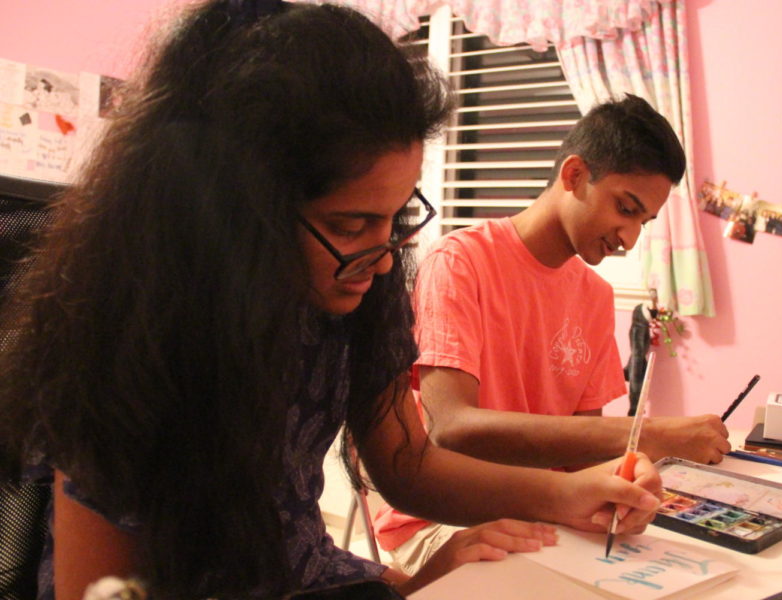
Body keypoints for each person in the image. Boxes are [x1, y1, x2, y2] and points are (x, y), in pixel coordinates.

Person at [0, 3, 663, 600]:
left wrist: (566, 495)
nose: (381, 257)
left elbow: (407, 464)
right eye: (350, 226)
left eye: (396, 217)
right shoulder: (127, 339)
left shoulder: (359, 292)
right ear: (238, 213)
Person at [374, 95, 731, 575]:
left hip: (546, 509)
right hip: (442, 517)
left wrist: (621, 479)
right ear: (575, 175)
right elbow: (452, 428)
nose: (629, 238)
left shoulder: (594, 295)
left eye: (642, 223)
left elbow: (578, 447)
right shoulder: (460, 263)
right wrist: (648, 435)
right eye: (625, 209)